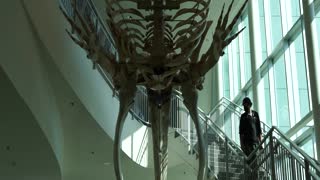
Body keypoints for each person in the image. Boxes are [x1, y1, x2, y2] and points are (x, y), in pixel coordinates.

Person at [239, 97, 262, 164]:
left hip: (255, 142)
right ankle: (251, 174)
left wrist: (260, 142)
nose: (244, 107)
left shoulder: (255, 114)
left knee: (256, 162)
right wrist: (242, 145)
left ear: (249, 104)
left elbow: (259, 129)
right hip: (247, 143)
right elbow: (241, 132)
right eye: (243, 105)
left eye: (245, 105)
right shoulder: (243, 117)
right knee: (249, 162)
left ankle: (255, 174)